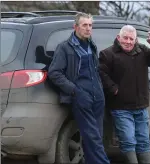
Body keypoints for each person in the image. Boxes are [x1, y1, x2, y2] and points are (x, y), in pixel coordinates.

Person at [98, 25, 150, 164]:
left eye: (131, 39)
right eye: (125, 38)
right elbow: (101, 73)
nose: (128, 42)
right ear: (119, 37)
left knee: (143, 141)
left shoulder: (142, 50)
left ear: (135, 40)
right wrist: (114, 89)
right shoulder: (107, 54)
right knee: (128, 141)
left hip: (141, 107)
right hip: (120, 108)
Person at [48, 13, 110, 164]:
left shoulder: (91, 45)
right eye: (84, 25)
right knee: (92, 138)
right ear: (75, 27)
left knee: (96, 139)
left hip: (98, 98)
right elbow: (54, 73)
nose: (88, 29)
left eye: (90, 25)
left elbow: (95, 72)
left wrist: (101, 91)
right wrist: (75, 91)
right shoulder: (65, 48)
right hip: (81, 99)